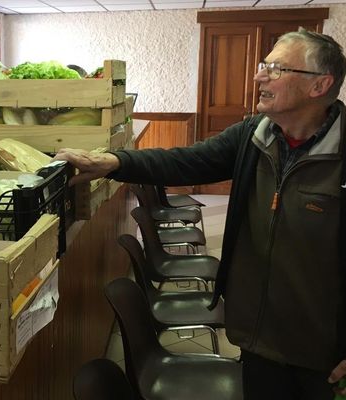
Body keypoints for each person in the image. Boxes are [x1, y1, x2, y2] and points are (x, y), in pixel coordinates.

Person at [55, 28, 346, 399]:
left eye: (276, 68)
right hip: (256, 336)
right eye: (264, 66)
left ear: (319, 85)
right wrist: (113, 162)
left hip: (321, 352)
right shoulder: (255, 134)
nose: (260, 76)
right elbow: (186, 161)